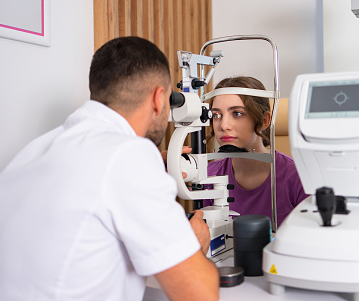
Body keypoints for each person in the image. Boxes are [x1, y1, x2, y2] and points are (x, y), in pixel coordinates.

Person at [0, 37, 219, 301]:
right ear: (160, 98)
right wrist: (193, 245)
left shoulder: (33, 152)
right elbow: (201, 294)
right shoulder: (129, 154)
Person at [204, 76, 308, 227]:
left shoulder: (299, 177)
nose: (223, 125)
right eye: (216, 115)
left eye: (237, 113)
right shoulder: (209, 175)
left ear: (264, 120)